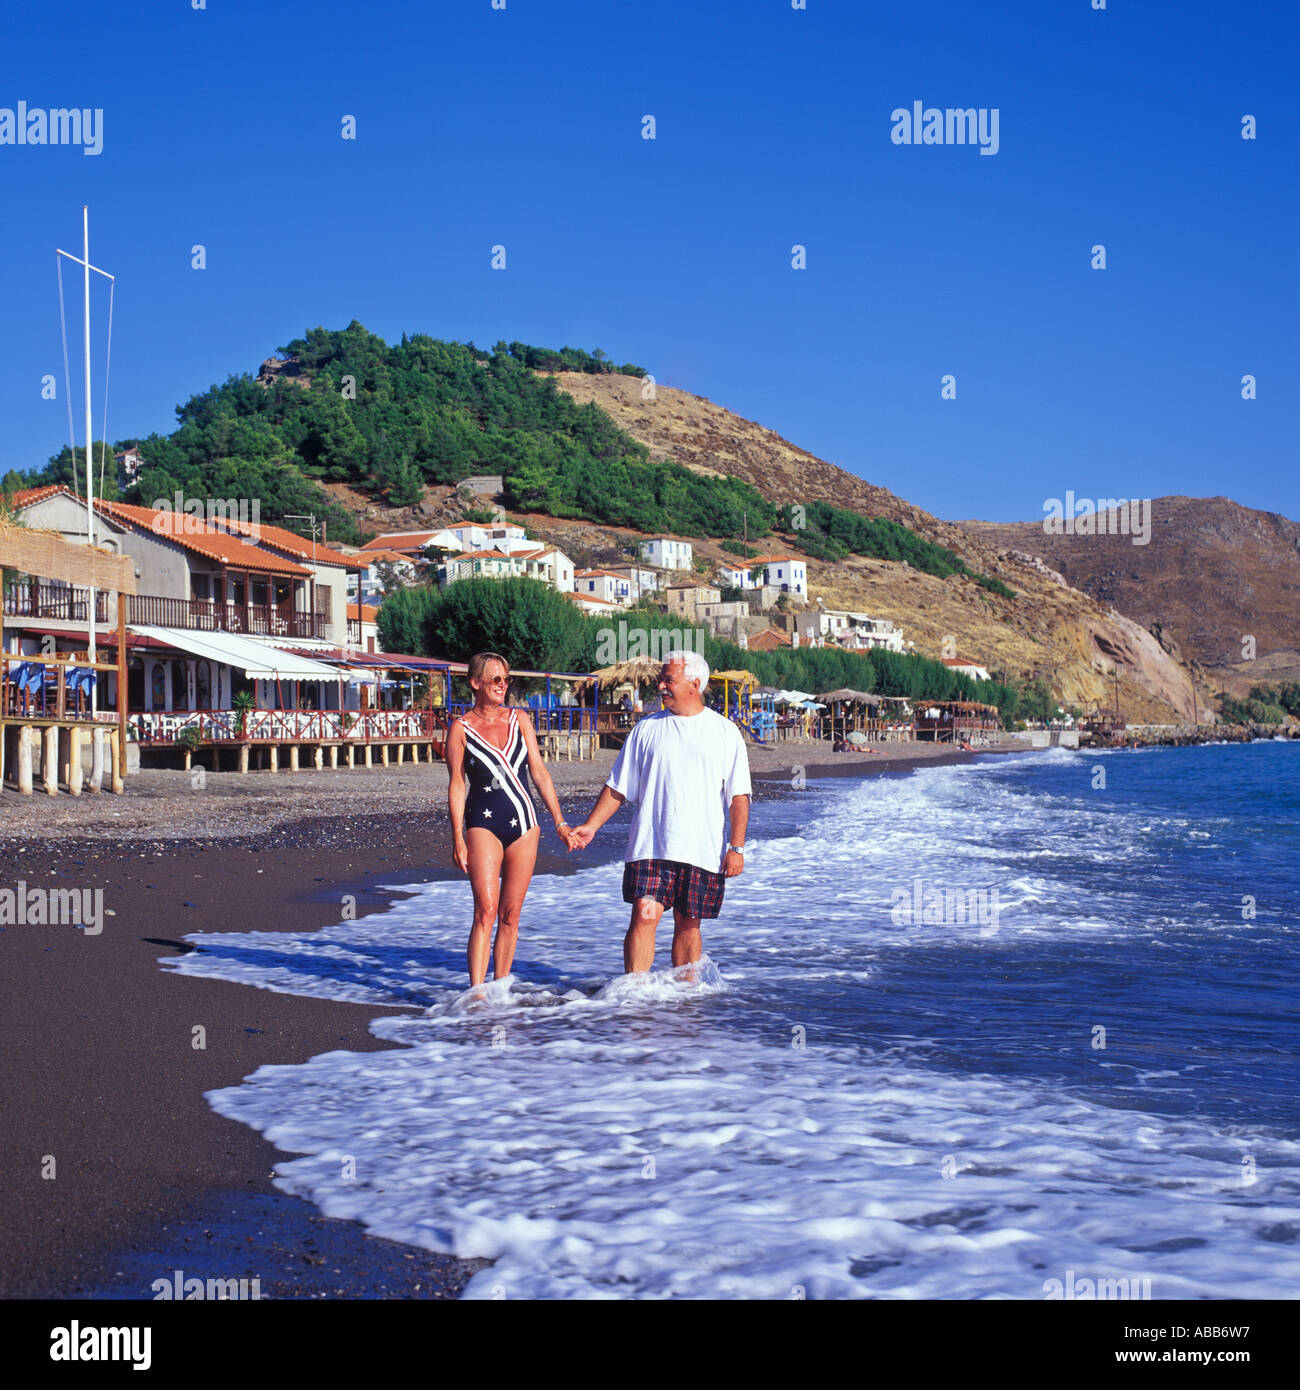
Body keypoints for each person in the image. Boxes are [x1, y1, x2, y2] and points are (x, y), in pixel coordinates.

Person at [568, 651, 750, 974]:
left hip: (701, 848)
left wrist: (736, 847)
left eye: (669, 680)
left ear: (695, 685)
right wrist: (592, 826)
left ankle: (686, 1001)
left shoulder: (725, 733)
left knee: (688, 924)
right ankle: (635, 994)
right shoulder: (645, 729)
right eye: (661, 680)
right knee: (644, 912)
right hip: (650, 844)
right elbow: (618, 787)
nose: (661, 686)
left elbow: (739, 797)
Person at [446, 651, 572, 987]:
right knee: (485, 912)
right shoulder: (460, 729)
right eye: (496, 679)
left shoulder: (520, 719)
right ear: (476, 683)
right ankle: (476, 993)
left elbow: (540, 772)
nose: (503, 685)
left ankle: (500, 989)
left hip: (525, 824)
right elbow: (457, 784)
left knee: (511, 915)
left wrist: (559, 822)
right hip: (481, 822)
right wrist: (457, 837)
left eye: (506, 679)